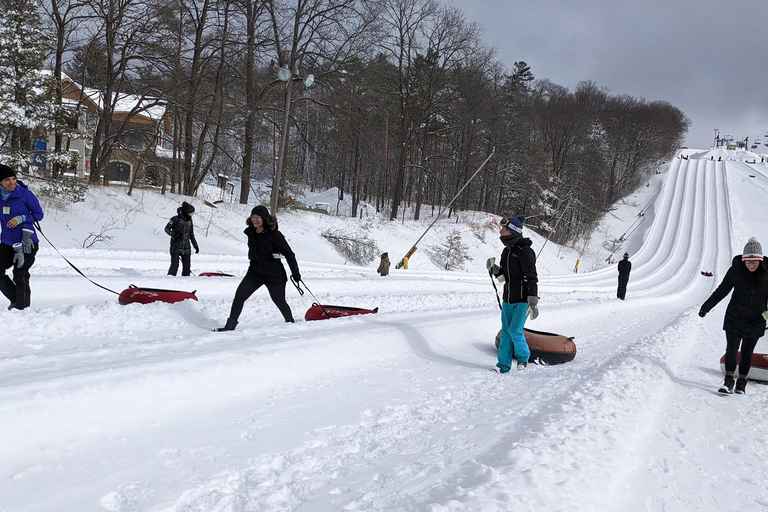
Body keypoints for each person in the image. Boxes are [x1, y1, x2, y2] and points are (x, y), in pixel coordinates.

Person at [699, 237, 768, 394]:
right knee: (731, 349)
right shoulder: (735, 271)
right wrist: (706, 307)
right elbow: (722, 290)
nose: (751, 265)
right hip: (735, 317)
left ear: (760, 260)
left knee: (746, 353)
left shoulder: (767, 273)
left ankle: (741, 383)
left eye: (754, 262)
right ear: (743, 260)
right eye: (748, 261)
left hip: (757, 320)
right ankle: (728, 381)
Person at [216, 205, 301, 331]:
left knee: (279, 301)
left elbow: (289, 254)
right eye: (253, 217)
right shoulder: (251, 233)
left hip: (274, 274)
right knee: (240, 295)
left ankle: (290, 323)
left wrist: (295, 273)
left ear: (264, 219)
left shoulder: (274, 235)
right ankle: (230, 326)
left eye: (258, 217)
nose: (255, 220)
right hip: (255, 272)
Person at [486, 215, 539, 373]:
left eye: (503, 229)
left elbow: (532, 277)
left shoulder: (526, 252)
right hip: (508, 298)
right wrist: (495, 270)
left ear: (512, 231)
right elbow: (504, 277)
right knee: (506, 332)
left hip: (523, 300)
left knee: (515, 330)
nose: (500, 231)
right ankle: (503, 366)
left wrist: (533, 302)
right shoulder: (506, 251)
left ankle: (523, 358)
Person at [0, 164, 44, 310]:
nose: (12, 182)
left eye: (13, 178)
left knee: (20, 274)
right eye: (7, 180)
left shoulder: (24, 194)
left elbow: (39, 214)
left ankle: (21, 308)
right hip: (7, 243)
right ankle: (16, 299)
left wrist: (22, 218)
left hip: (27, 242)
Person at [165, 201, 198, 276]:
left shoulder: (190, 220)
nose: (193, 214)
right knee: (174, 266)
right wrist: (173, 234)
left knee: (187, 268)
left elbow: (191, 234)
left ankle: (185, 282)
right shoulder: (175, 219)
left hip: (186, 248)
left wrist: (195, 245)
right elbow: (166, 229)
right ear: (187, 212)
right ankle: (169, 280)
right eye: (191, 213)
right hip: (175, 246)